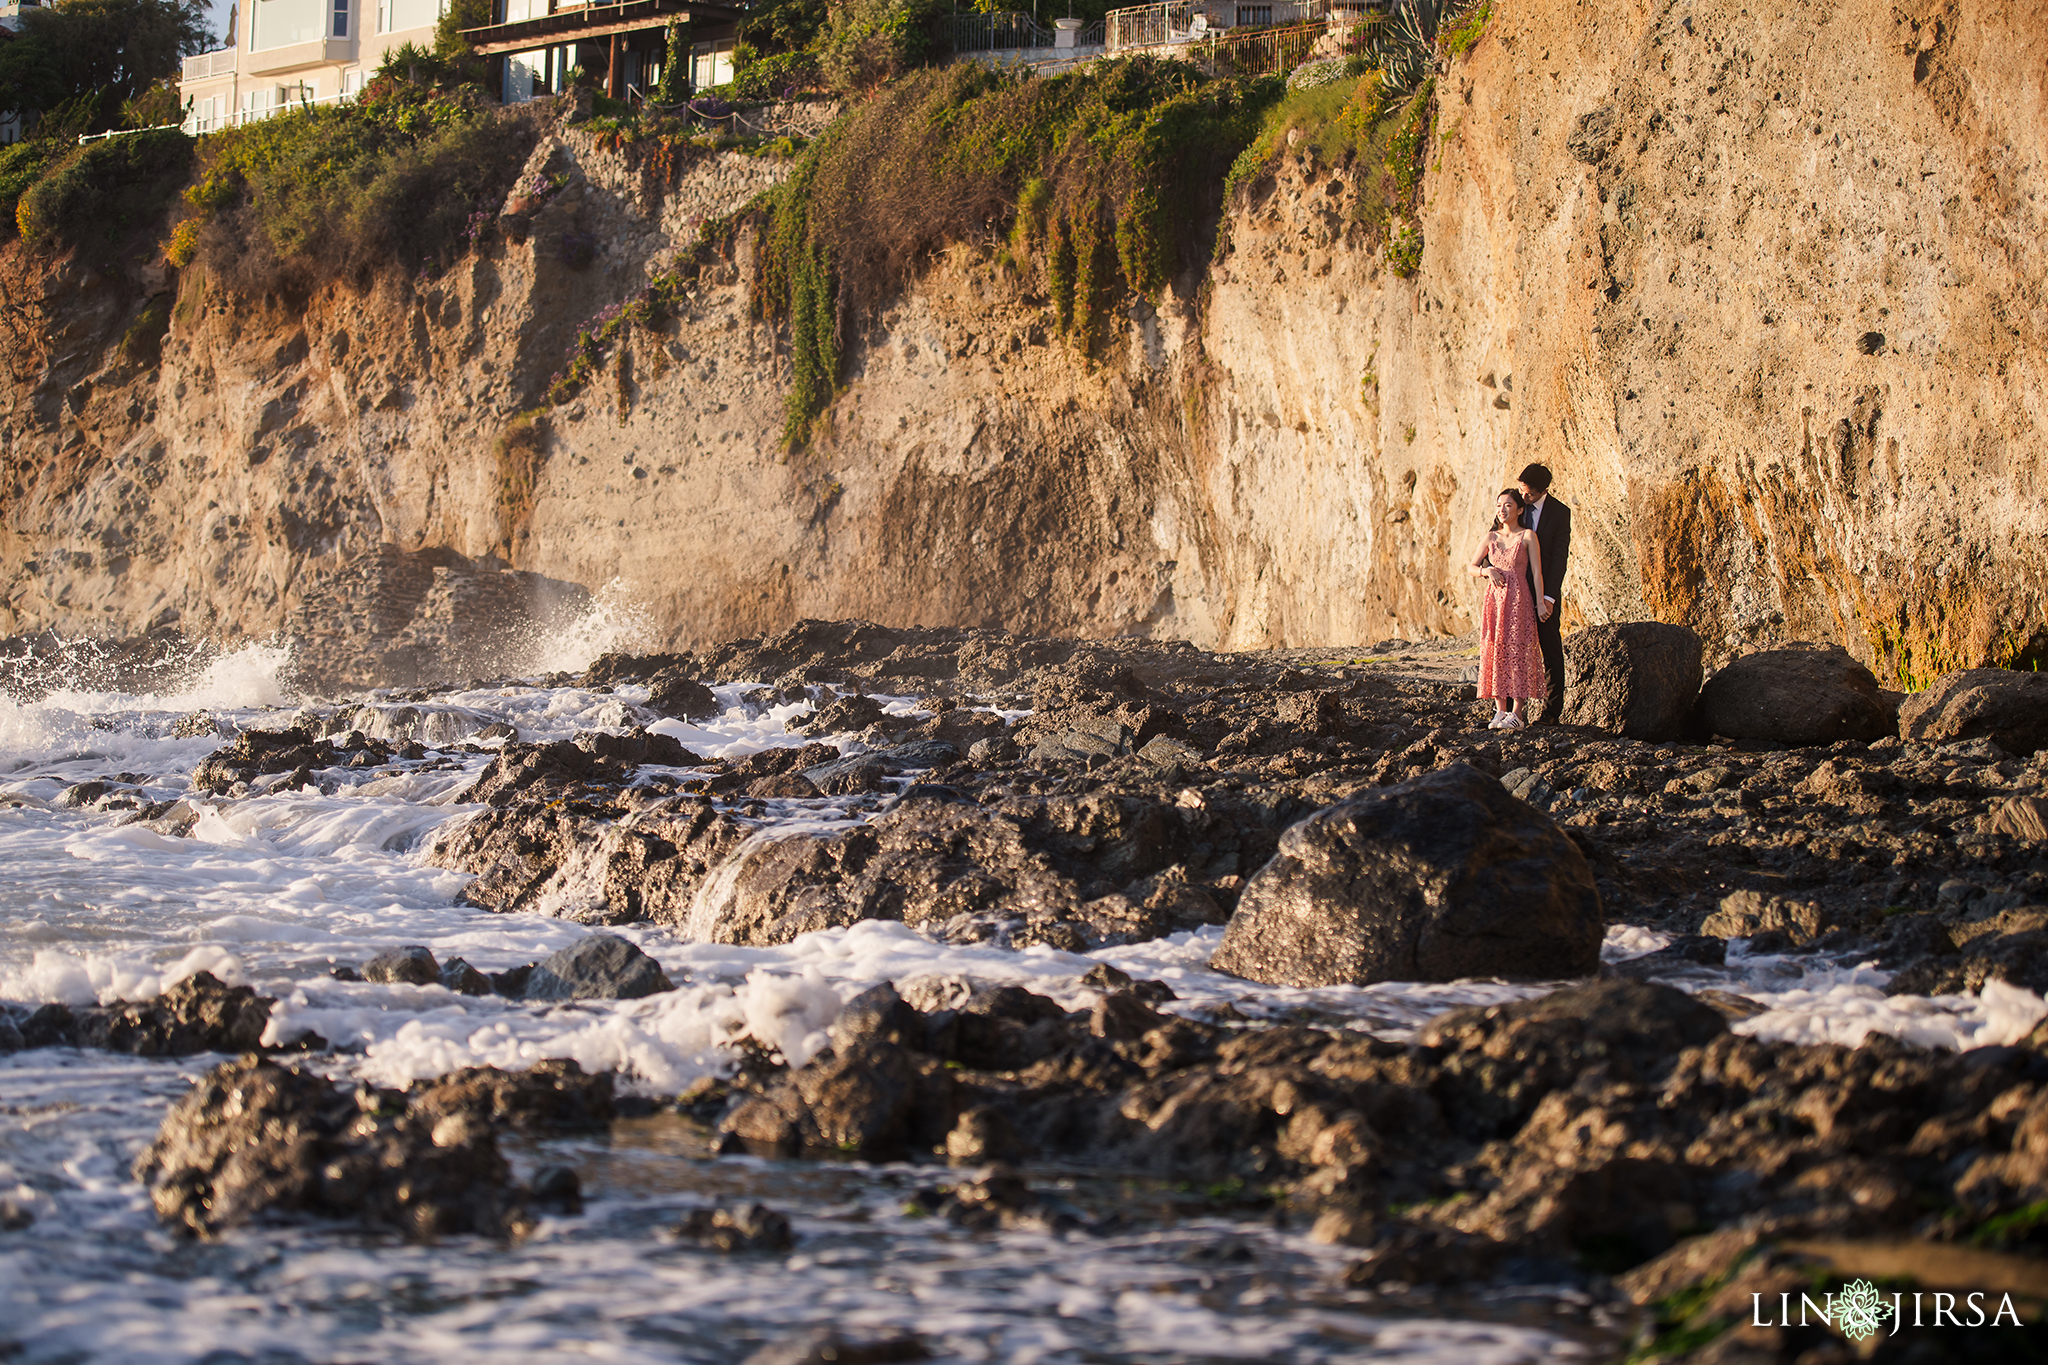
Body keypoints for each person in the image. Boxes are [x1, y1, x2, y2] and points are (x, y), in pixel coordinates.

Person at [1468, 488, 1548, 729]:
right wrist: (1487, 570)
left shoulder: (1527, 536)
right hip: (1495, 600)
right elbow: (1471, 566)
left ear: (1520, 510)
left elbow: (1536, 571)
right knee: (1496, 649)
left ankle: (1518, 714)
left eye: (1508, 506)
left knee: (1518, 650)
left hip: (1519, 599)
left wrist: (1541, 601)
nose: (1502, 510)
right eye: (1499, 506)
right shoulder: (1491, 537)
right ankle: (1500, 711)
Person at [1516, 463, 1572, 722]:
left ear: (1544, 490)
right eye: (1521, 490)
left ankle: (1551, 714)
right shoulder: (1513, 503)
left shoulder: (1560, 513)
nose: (1523, 497)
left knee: (1550, 651)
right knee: (1513, 651)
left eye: (1528, 493)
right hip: (1514, 593)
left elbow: (1559, 558)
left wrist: (1548, 598)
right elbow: (1495, 537)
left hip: (1544, 594)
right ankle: (1512, 712)